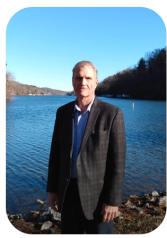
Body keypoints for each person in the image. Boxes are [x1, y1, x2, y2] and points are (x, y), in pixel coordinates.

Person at [46, 61, 126, 234]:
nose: (83, 82)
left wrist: (112, 200)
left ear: (96, 82)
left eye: (88, 78)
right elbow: (56, 154)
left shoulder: (112, 114)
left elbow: (117, 162)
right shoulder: (62, 113)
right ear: (72, 81)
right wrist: (52, 189)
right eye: (79, 77)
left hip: (98, 198)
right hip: (67, 195)